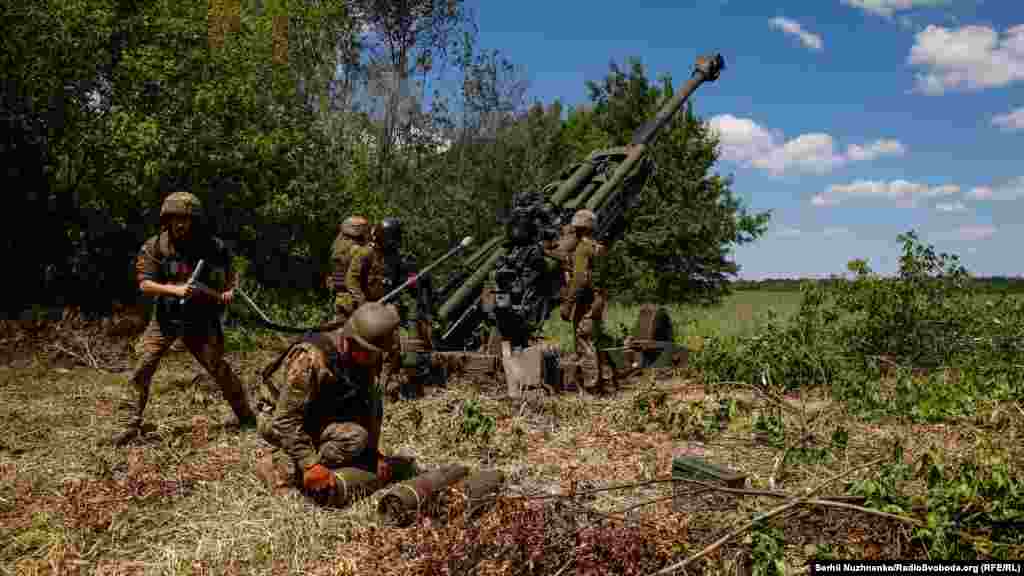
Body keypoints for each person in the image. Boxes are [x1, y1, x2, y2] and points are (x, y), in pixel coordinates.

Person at [111, 191, 256, 446]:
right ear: (166, 219)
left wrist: (229, 290)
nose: (180, 223)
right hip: (166, 318)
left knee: (219, 370)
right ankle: (127, 426)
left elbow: (232, 275)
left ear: (194, 221)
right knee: (142, 367)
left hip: (200, 320)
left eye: (186, 218)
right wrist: (175, 290)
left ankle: (246, 417)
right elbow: (145, 284)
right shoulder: (155, 246)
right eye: (175, 218)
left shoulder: (212, 246)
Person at [253, 302, 401, 503]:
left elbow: (371, 405)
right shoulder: (311, 357)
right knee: (306, 464)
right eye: (368, 353)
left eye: (376, 354)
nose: (373, 360)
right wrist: (309, 464)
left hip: (314, 412)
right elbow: (285, 420)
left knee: (356, 438)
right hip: (277, 418)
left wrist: (372, 453)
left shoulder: (367, 355)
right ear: (350, 341)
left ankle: (308, 458)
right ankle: (275, 465)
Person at [566, 209, 608, 391]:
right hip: (598, 301)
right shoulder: (598, 248)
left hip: (587, 302)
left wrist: (568, 304)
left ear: (579, 228)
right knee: (594, 340)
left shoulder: (582, 249)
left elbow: (580, 279)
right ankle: (605, 382)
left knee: (584, 340)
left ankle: (591, 387)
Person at [330, 215, 369, 324]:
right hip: (352, 300)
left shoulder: (337, 246)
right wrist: (363, 303)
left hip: (339, 297)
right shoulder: (358, 250)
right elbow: (352, 280)